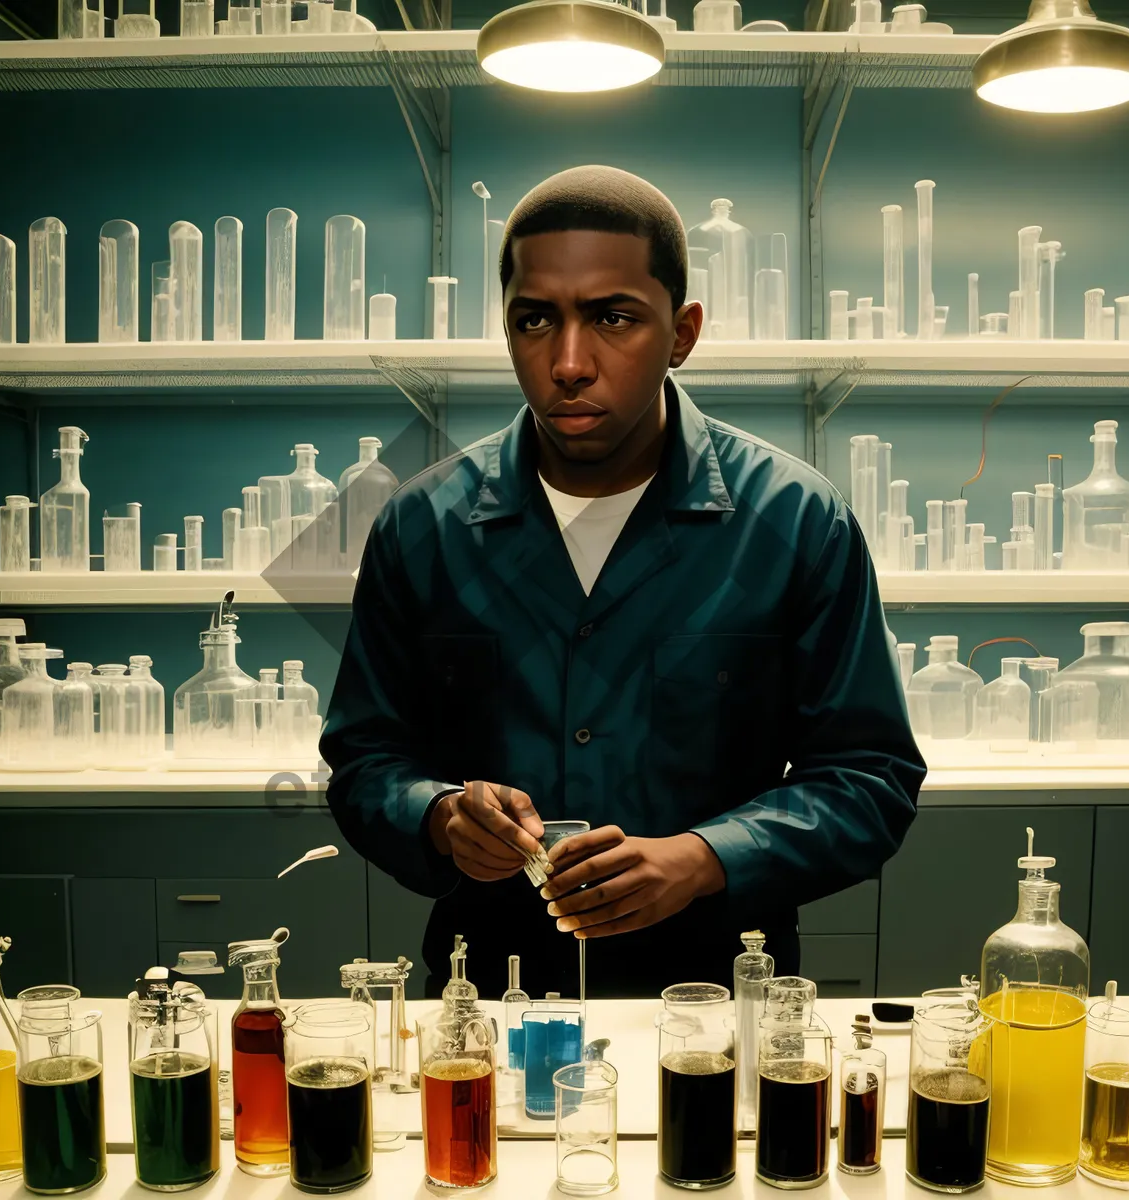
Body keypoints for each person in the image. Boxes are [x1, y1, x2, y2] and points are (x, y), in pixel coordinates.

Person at [321, 165, 925, 999]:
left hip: (716, 1005)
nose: (569, 363)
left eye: (613, 318)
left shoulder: (793, 522)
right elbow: (362, 761)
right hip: (488, 1001)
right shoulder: (422, 528)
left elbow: (869, 777)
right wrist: (437, 815)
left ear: (682, 333)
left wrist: (705, 858)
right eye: (535, 320)